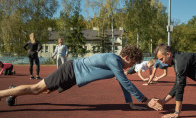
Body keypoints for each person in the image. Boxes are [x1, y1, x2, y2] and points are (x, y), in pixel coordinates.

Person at [0, 45, 162, 111]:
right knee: (36, 89)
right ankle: (4, 93)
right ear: (125, 56)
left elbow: (122, 82)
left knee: (45, 92)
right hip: (70, 70)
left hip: (73, 76)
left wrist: (131, 104)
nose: (132, 66)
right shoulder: (113, 60)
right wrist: (144, 100)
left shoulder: (117, 64)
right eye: (132, 63)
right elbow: (125, 81)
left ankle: (13, 92)